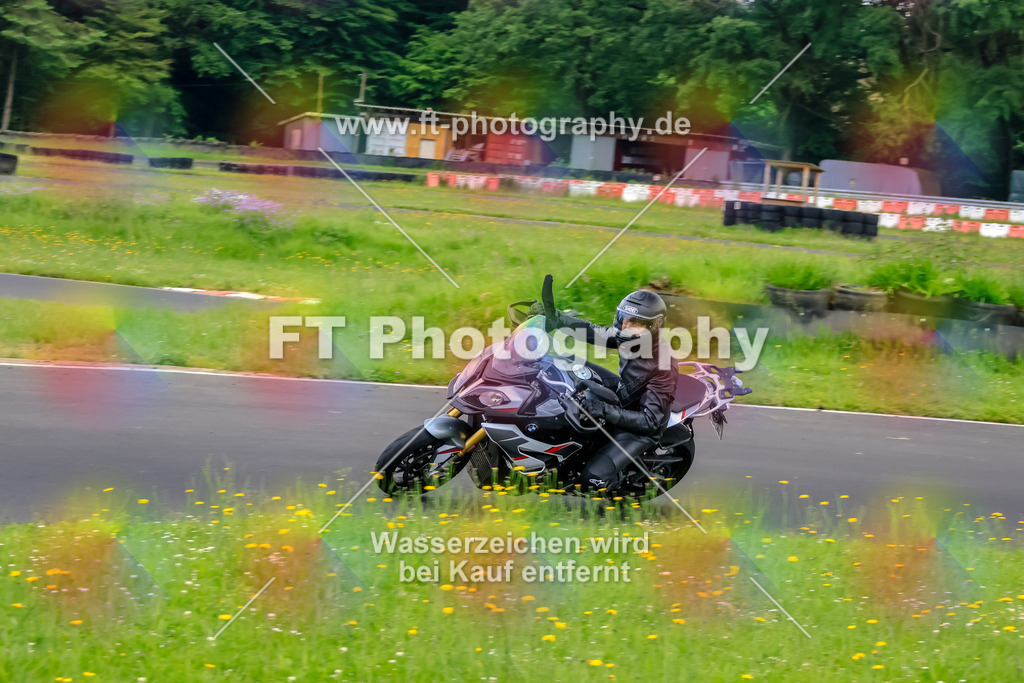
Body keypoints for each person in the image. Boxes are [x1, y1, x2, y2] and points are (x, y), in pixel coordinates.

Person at [533, 283, 678, 494]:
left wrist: (604, 410)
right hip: (624, 393)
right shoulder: (630, 334)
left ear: (654, 326)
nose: (625, 326)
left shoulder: (663, 365)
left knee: (591, 481)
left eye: (634, 322)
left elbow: (651, 422)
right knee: (566, 362)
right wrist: (557, 318)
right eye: (623, 319)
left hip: (639, 427)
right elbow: (595, 332)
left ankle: (618, 501)